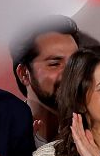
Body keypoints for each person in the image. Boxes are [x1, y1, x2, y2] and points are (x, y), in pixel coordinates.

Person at [9, 15, 80, 146]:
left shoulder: (99, 133)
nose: (71, 73)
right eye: (55, 64)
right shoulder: (2, 137)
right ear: (24, 74)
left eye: (75, 62)